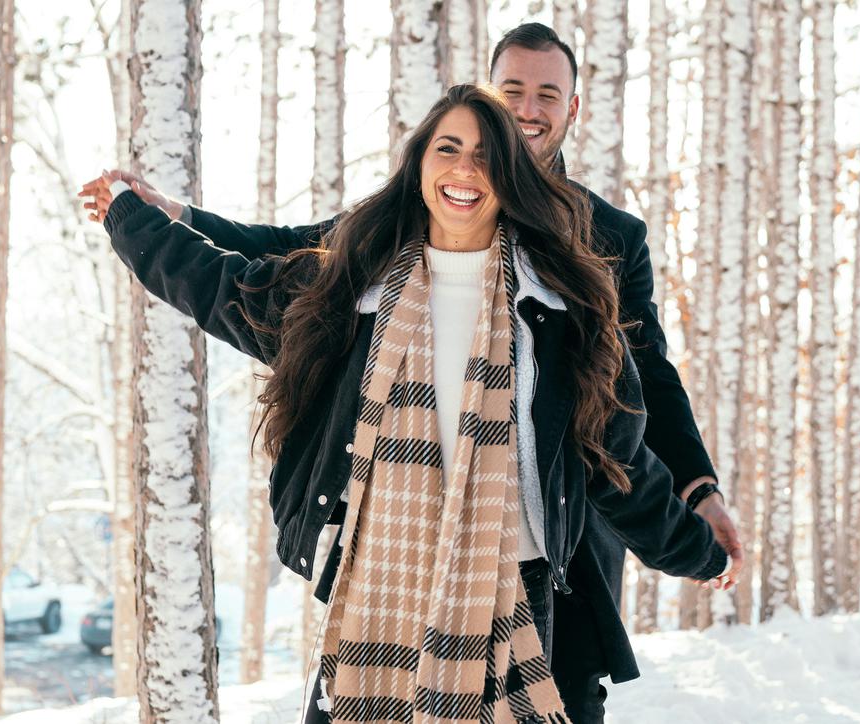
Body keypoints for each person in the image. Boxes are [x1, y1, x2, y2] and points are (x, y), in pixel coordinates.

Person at [82, 84, 729, 722]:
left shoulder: (562, 313)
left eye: (486, 155)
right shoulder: (350, 293)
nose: (465, 169)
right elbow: (219, 285)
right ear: (419, 166)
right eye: (448, 148)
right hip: (378, 586)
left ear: (513, 178)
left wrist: (700, 550)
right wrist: (131, 218)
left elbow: (620, 464)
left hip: (515, 595)